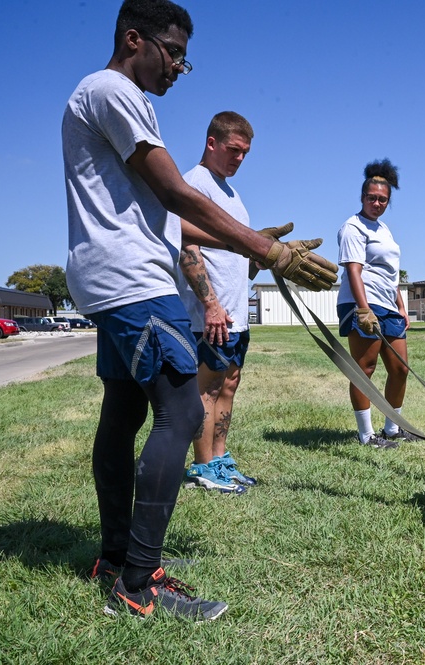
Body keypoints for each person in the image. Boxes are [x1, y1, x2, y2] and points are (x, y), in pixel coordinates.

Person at [63, 0, 337, 621]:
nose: (181, 67)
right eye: (174, 52)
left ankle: (115, 555)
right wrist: (264, 247)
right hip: (134, 280)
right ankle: (140, 581)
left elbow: (169, 215)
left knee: (126, 409)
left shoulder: (103, 95)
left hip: (109, 275)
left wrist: (255, 243)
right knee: (184, 410)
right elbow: (175, 192)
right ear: (135, 39)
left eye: (186, 55)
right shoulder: (113, 90)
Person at [176, 111, 259, 495]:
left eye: (245, 153)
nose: (239, 159)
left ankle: (220, 460)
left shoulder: (230, 191)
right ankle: (203, 466)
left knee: (229, 385)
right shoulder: (195, 184)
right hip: (211, 314)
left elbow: (235, 256)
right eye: (233, 150)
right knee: (205, 390)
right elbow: (186, 245)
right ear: (211, 143)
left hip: (236, 313)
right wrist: (210, 304)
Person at [336, 159, 412, 449]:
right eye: (372, 198)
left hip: (389, 305)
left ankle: (392, 429)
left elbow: (391, 274)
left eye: (383, 199)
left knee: (400, 369)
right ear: (362, 197)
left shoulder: (385, 230)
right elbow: (354, 270)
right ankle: (367, 436)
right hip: (362, 303)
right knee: (364, 369)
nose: (377, 203)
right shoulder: (353, 227)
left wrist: (401, 306)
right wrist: (363, 308)